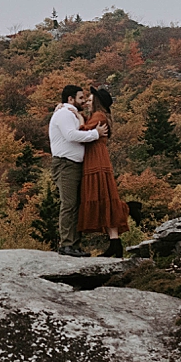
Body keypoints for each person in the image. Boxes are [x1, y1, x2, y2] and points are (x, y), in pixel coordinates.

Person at [47, 84, 107, 257]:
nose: (84, 101)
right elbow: (71, 135)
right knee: (69, 204)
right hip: (65, 164)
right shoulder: (64, 113)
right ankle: (67, 245)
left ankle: (74, 245)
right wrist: (95, 134)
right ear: (70, 99)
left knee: (76, 205)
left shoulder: (71, 113)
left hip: (74, 165)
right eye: (81, 98)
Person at [77, 88, 127, 256]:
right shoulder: (99, 116)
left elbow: (82, 133)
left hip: (96, 159)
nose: (87, 103)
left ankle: (115, 242)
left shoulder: (99, 116)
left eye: (90, 100)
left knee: (102, 196)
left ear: (97, 102)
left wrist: (79, 119)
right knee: (106, 197)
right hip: (99, 158)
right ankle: (114, 242)